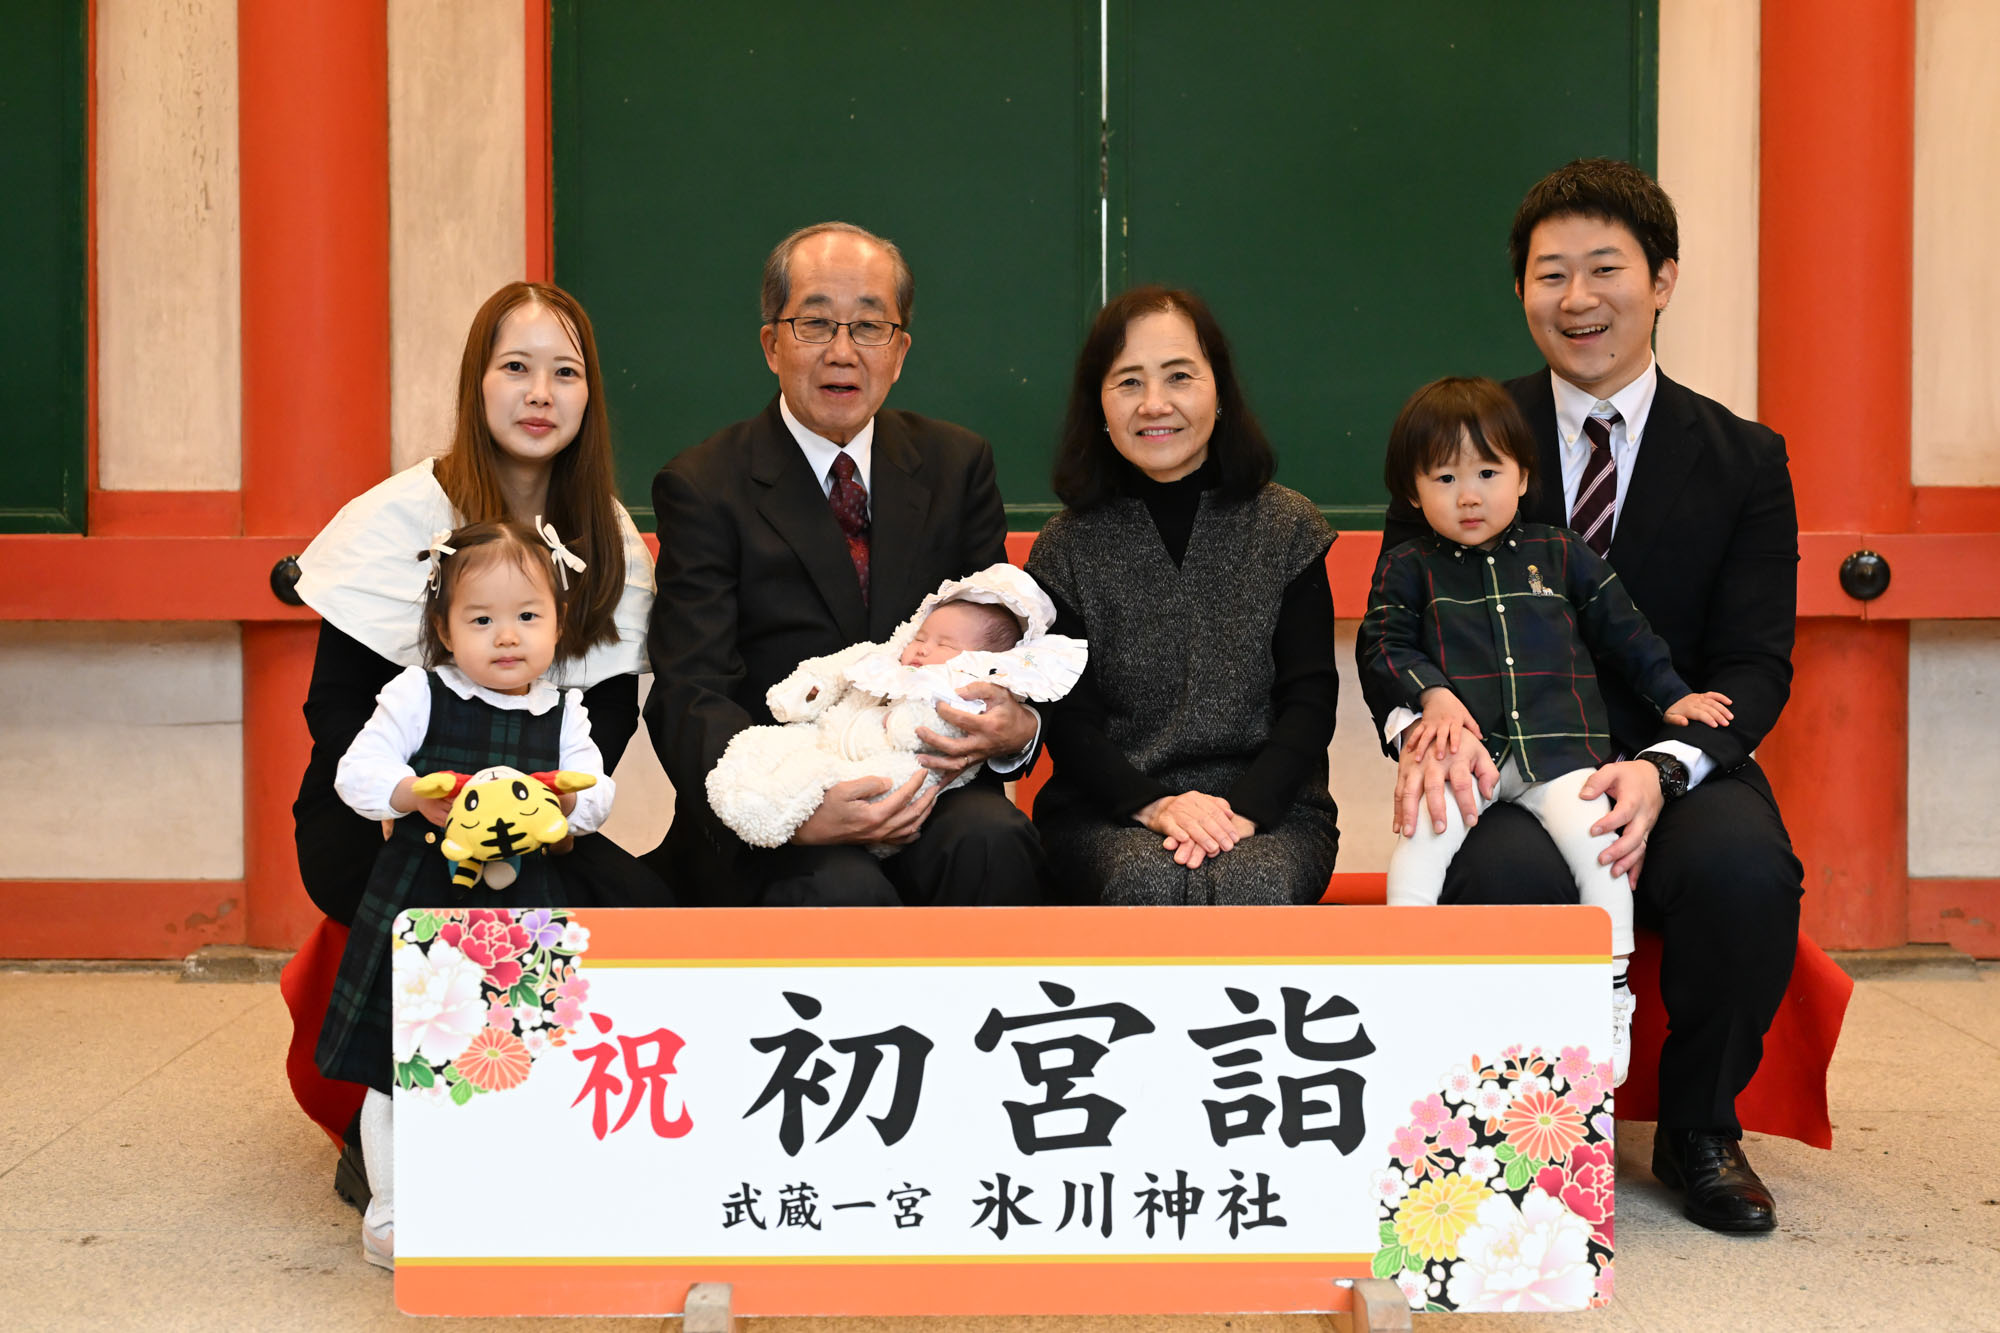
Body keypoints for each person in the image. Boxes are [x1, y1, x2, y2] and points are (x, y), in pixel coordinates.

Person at [1361, 159, 1802, 1233]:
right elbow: (1394, 627)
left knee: (1744, 869)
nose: (1575, 298)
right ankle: (1513, 1140)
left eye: (1604, 268)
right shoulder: (1456, 435)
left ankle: (1699, 1127)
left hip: (1667, 760)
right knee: (1504, 872)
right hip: (1507, 760)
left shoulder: (1743, 459)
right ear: (1518, 291)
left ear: (1662, 280)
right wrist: (1416, 725)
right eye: (1548, 273)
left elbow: (1752, 662)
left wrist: (1663, 765)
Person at [284, 281, 663, 1215]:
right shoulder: (399, 515)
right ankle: (393, 1117)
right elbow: (337, 707)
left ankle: (552, 1116)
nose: (541, 392)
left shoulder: (606, 537)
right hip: (400, 802)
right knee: (405, 890)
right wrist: (417, 801)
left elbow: (607, 719)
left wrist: (547, 810)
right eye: (516, 367)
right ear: (477, 382)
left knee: (644, 902)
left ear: (589, 396)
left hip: (535, 805)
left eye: (564, 372)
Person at [646, 222, 1046, 906]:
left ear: (900, 351)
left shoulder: (956, 465)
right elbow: (691, 691)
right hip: (777, 798)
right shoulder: (703, 483)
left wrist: (1018, 727)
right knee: (842, 889)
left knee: (994, 838)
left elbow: (1003, 648)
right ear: (772, 343)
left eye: (869, 327)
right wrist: (793, 804)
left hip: (920, 780)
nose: (842, 352)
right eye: (815, 323)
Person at [1357, 375, 1734, 1085]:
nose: (1469, 495)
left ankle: (1609, 991)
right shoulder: (1410, 566)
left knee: (1607, 852)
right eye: (1445, 476)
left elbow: (1628, 634)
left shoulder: (1558, 553)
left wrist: (1674, 697)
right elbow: (1381, 645)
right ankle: (1399, 985)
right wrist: (1430, 695)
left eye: (1488, 472)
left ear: (1525, 475)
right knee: (1417, 850)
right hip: (1470, 763)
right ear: (1412, 492)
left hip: (1564, 757)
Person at [317, 520, 615, 1269]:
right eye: (480, 619)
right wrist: (411, 792)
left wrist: (562, 809)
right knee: (402, 1063)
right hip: (423, 899)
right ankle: (391, 1209)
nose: (505, 636)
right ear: (445, 629)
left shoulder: (564, 711)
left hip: (523, 909)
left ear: (558, 624)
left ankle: (503, 1187)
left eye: (527, 616)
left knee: (514, 1052)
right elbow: (356, 773)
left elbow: (598, 790)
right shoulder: (419, 691)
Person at [1026, 285, 1340, 904]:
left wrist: (1244, 811)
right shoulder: (1065, 546)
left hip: (1270, 809)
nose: (1154, 404)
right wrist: (1152, 805)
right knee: (1147, 878)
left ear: (1218, 390)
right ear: (1099, 405)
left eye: (1179, 377)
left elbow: (1310, 699)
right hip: (1108, 811)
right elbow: (1071, 721)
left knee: (1255, 880)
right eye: (1128, 383)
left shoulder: (1288, 526)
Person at [706, 563, 1086, 851]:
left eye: (946, 645)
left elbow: (933, 727)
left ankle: (776, 813)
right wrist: (807, 692)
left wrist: (1019, 724)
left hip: (903, 771)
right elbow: (841, 668)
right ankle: (745, 798)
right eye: (922, 636)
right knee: (759, 746)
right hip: (827, 735)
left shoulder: (960, 688)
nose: (922, 648)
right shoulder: (889, 660)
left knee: (990, 838)